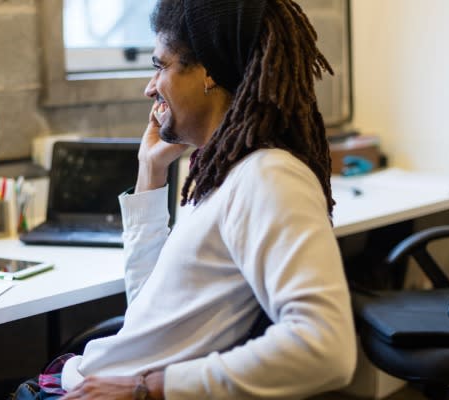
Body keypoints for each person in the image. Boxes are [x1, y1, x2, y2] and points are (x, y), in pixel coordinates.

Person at [20, 0, 357, 398]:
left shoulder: (268, 177)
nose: (150, 87)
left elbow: (326, 349)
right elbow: (151, 316)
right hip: (84, 380)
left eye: (160, 65)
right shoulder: (219, 172)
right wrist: (150, 171)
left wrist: (148, 390)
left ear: (208, 72)